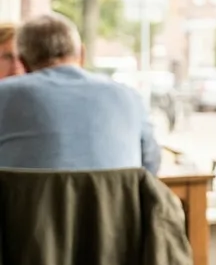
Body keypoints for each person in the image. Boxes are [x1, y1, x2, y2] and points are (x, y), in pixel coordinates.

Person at [0, 12, 160, 174]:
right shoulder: (130, 97)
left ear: (23, 62)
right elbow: (149, 170)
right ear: (82, 54)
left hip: (30, 200)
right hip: (113, 199)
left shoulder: (5, 95)